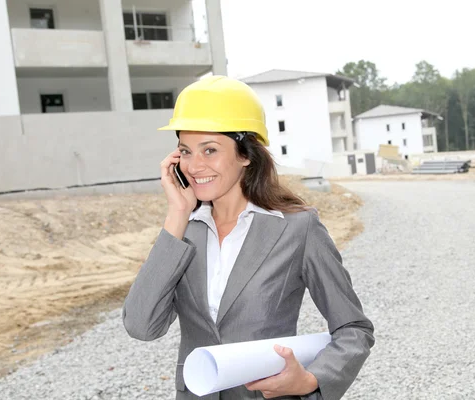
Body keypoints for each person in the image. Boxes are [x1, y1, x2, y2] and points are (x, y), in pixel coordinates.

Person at [122, 76, 375, 400]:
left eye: (209, 150)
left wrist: (313, 379)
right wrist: (177, 214)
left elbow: (354, 330)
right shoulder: (184, 232)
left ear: (246, 154)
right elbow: (141, 326)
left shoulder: (298, 229)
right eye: (186, 151)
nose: (195, 165)